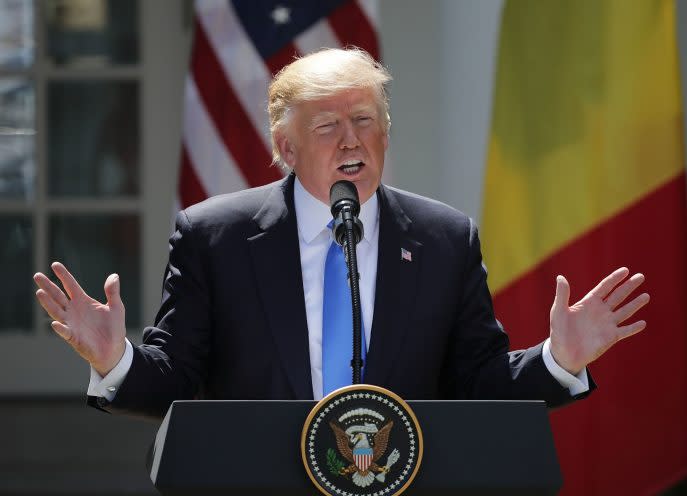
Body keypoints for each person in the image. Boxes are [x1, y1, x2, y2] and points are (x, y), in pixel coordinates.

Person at [32, 48, 649, 419]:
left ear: (385, 134)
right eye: (327, 125)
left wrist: (559, 359)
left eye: (365, 120)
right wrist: (115, 359)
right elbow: (176, 378)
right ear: (285, 145)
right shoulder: (213, 237)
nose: (351, 140)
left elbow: (478, 384)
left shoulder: (443, 239)